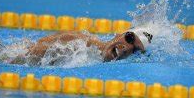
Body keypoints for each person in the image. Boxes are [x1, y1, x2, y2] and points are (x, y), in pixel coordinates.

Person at [10, 26, 153, 65]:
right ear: (119, 34)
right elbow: (22, 57)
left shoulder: (93, 58)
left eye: (134, 50)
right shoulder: (79, 44)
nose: (127, 48)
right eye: (129, 38)